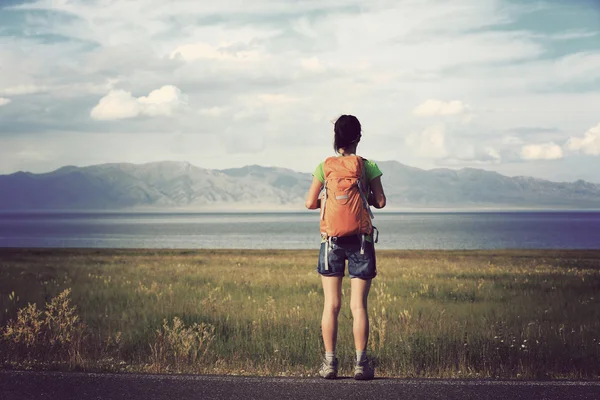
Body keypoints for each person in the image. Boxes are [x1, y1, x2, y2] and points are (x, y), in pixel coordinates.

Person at [304, 114, 386, 380]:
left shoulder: (323, 166)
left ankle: (329, 364)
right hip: (361, 240)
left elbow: (309, 203)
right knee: (358, 306)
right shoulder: (368, 166)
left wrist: (328, 202)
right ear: (358, 137)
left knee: (331, 305)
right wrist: (365, 197)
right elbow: (381, 202)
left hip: (331, 242)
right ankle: (361, 365)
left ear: (335, 139)